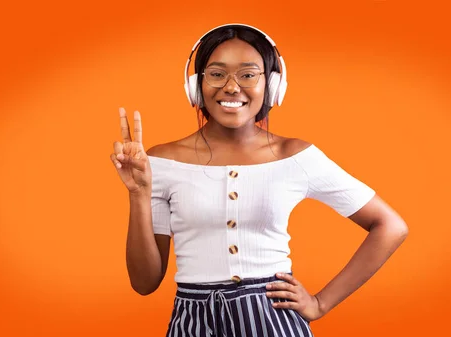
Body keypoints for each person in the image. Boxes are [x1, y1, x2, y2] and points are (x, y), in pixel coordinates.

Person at [110, 23, 409, 337]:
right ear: (196, 85)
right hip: (192, 322)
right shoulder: (160, 161)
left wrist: (320, 303)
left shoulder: (295, 156)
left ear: (273, 85)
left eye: (248, 74)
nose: (231, 87)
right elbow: (144, 283)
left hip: (273, 319)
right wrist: (138, 193)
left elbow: (391, 226)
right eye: (216, 73)